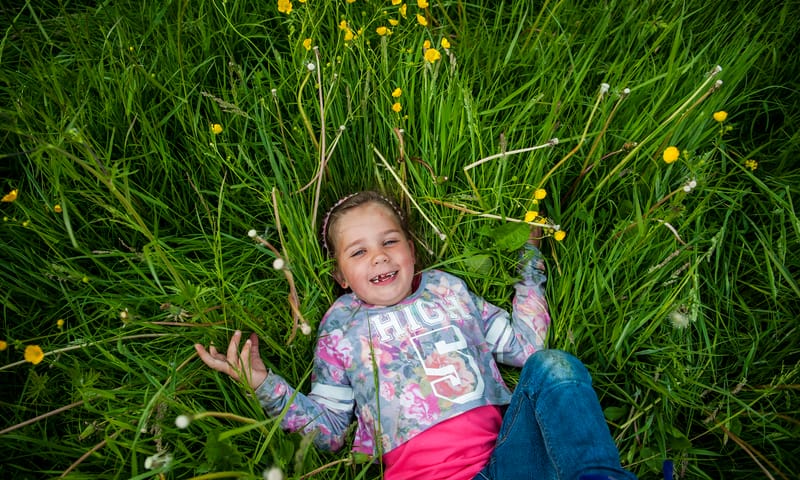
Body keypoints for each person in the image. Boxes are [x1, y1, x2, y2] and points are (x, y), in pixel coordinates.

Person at [195, 190, 637, 480]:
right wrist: (261, 383)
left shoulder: (448, 289)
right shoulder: (340, 327)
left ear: (412, 248)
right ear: (340, 275)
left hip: (507, 462)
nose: (379, 257)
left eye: (390, 242)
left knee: (554, 366)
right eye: (359, 251)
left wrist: (530, 262)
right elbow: (328, 432)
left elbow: (526, 347)